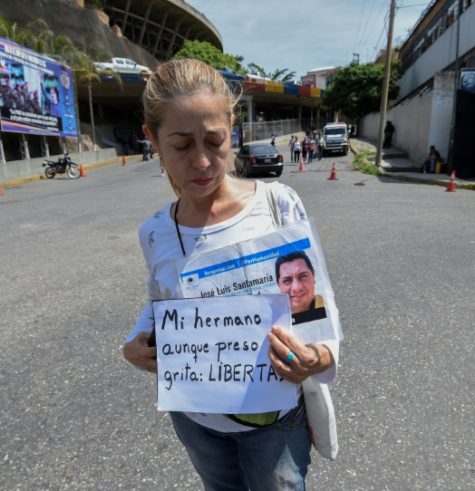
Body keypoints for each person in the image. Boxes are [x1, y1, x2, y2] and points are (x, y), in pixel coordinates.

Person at [122, 58, 338, 490]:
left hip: (275, 421)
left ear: (232, 127)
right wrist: (136, 343)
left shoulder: (278, 204)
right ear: (153, 140)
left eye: (215, 141)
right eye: (182, 145)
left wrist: (321, 357)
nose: (202, 161)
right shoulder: (155, 231)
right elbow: (161, 299)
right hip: (197, 420)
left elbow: (312, 301)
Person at [275, 251, 327, 325]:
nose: (297, 288)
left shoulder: (329, 308)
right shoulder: (274, 322)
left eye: (303, 276)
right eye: (287, 281)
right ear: (279, 285)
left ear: (313, 276)